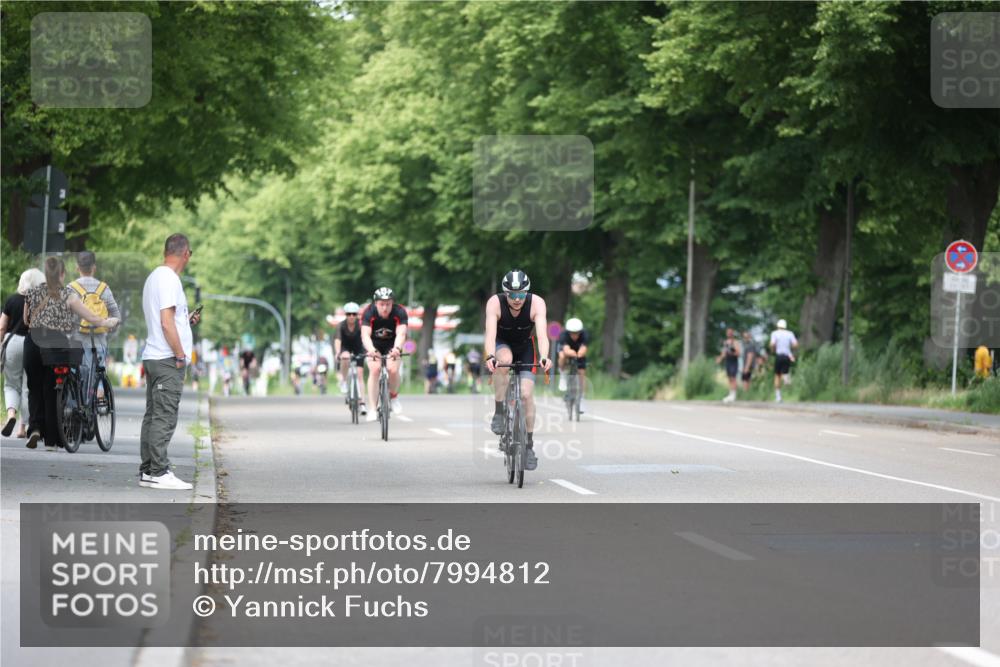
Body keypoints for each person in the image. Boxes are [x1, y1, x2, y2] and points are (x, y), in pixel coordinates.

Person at [22, 257, 119, 450]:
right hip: (55, 343)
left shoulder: (31, 293)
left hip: (32, 342)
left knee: (34, 388)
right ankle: (51, 441)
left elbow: (26, 320)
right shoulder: (68, 295)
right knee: (52, 390)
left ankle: (34, 428)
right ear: (62, 274)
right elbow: (91, 317)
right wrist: (108, 322)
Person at [139, 233, 200, 490]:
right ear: (185, 253)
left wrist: (186, 322)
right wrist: (179, 355)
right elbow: (165, 322)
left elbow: (167, 320)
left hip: (154, 355)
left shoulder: (155, 277)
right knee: (164, 416)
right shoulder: (169, 279)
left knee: (153, 415)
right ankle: (160, 471)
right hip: (166, 359)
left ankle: (148, 471)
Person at [484, 269, 552, 471]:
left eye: (521, 295)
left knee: (526, 394)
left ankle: (529, 445)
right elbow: (490, 334)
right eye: (512, 295)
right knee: (504, 360)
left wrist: (544, 356)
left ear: (527, 292)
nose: (516, 299)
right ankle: (499, 411)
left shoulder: (537, 303)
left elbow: (542, 335)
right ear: (505, 293)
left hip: (525, 346)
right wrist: (489, 356)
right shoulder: (495, 303)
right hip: (501, 343)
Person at [68, 251, 121, 408]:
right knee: (98, 370)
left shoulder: (71, 288)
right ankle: (98, 394)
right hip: (98, 339)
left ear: (78, 267)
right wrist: (109, 326)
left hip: (76, 340)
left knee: (75, 373)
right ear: (94, 268)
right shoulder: (104, 289)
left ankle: (73, 406)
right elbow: (116, 316)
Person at [0, 268, 45, 438]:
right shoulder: (40, 301)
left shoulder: (11, 300)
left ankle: (11, 414)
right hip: (32, 344)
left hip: (12, 343)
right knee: (29, 388)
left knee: (11, 384)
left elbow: (2, 326)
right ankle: (23, 427)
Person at [360, 287, 408, 421]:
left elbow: (401, 333)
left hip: (392, 344)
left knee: (393, 369)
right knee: (374, 369)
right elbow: (365, 335)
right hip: (373, 345)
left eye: (388, 304)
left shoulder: (400, 312)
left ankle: (393, 397)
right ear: (376, 303)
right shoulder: (369, 312)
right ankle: (372, 409)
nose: (385, 308)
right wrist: (371, 350)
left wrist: (397, 348)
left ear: (392, 302)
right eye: (382, 304)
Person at [334, 302, 367, 414]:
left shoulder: (361, 325)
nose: (351, 316)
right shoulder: (341, 326)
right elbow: (338, 340)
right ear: (345, 314)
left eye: (354, 314)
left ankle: (362, 403)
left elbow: (366, 337)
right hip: (345, 347)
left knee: (360, 374)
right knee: (345, 357)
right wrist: (338, 352)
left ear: (357, 314)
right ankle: (343, 381)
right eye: (349, 314)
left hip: (358, 348)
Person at [557, 317, 589, 413]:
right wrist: (573, 353)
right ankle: (562, 375)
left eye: (577, 333)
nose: (574, 335)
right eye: (572, 333)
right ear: (568, 332)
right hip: (566, 350)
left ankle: (582, 398)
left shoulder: (585, 335)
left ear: (580, 331)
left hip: (578, 351)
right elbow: (566, 350)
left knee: (582, 373)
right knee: (562, 356)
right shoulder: (564, 335)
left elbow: (584, 349)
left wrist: (579, 354)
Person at [769, 318, 798, 403]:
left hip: (779, 356)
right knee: (785, 372)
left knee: (777, 375)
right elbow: (795, 344)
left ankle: (778, 396)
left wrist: (773, 350)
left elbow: (772, 344)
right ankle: (786, 378)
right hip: (787, 355)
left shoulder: (775, 333)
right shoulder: (790, 334)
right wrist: (790, 348)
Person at [716, 328, 741, 403]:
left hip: (734, 361)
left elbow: (738, 353)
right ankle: (730, 394)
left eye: (730, 332)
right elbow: (724, 352)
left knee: (733, 377)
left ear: (732, 333)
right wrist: (720, 358)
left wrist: (732, 353)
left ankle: (734, 395)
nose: (729, 334)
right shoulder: (726, 342)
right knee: (729, 378)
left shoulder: (735, 342)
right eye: (728, 332)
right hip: (728, 361)